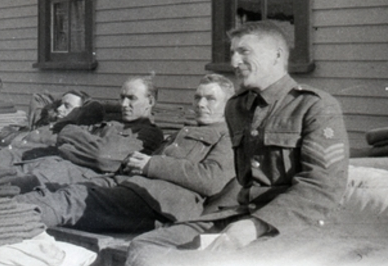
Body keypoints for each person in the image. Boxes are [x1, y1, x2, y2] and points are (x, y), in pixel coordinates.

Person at [126, 21, 349, 266]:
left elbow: (322, 188)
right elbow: (242, 183)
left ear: (277, 55)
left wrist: (255, 226)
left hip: (294, 226)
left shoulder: (315, 107)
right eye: (232, 53)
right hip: (241, 216)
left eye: (244, 52)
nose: (234, 62)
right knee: (146, 246)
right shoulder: (237, 107)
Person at [15, 73, 236, 234]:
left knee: (70, 201)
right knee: (56, 191)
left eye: (210, 99)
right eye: (197, 97)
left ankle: (2, 227)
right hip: (130, 185)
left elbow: (212, 179)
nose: (201, 104)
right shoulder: (189, 130)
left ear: (228, 105)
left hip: (159, 203)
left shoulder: (228, 137)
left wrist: (151, 165)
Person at [15, 75, 164, 190]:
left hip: (70, 181)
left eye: (131, 99)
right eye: (122, 98)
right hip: (47, 168)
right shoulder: (113, 124)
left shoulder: (148, 134)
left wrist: (73, 141)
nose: (123, 104)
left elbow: (103, 157)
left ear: (150, 102)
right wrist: (79, 145)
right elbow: (63, 136)